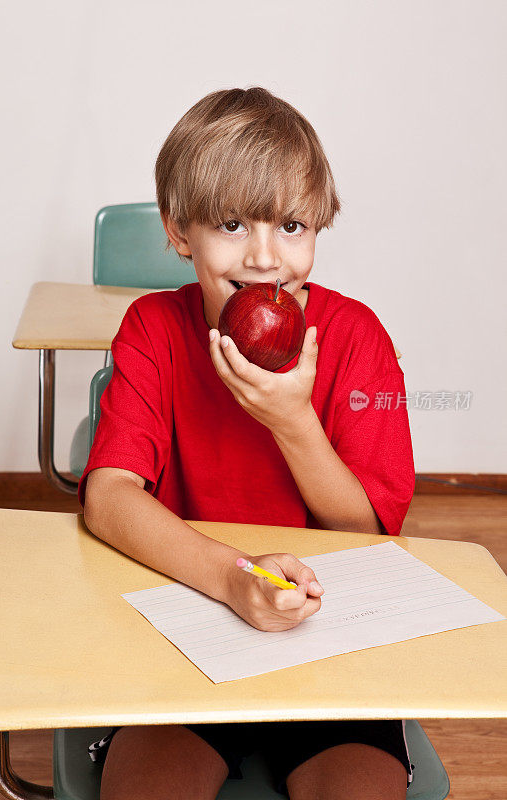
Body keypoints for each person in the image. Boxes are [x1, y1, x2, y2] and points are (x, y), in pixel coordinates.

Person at [80, 86, 415, 800]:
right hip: (192, 614)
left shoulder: (356, 339)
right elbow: (107, 498)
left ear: (319, 228)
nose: (265, 256)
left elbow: (368, 532)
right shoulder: (153, 330)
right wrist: (235, 580)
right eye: (232, 223)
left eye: (291, 226)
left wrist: (294, 424)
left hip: (329, 630)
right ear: (179, 231)